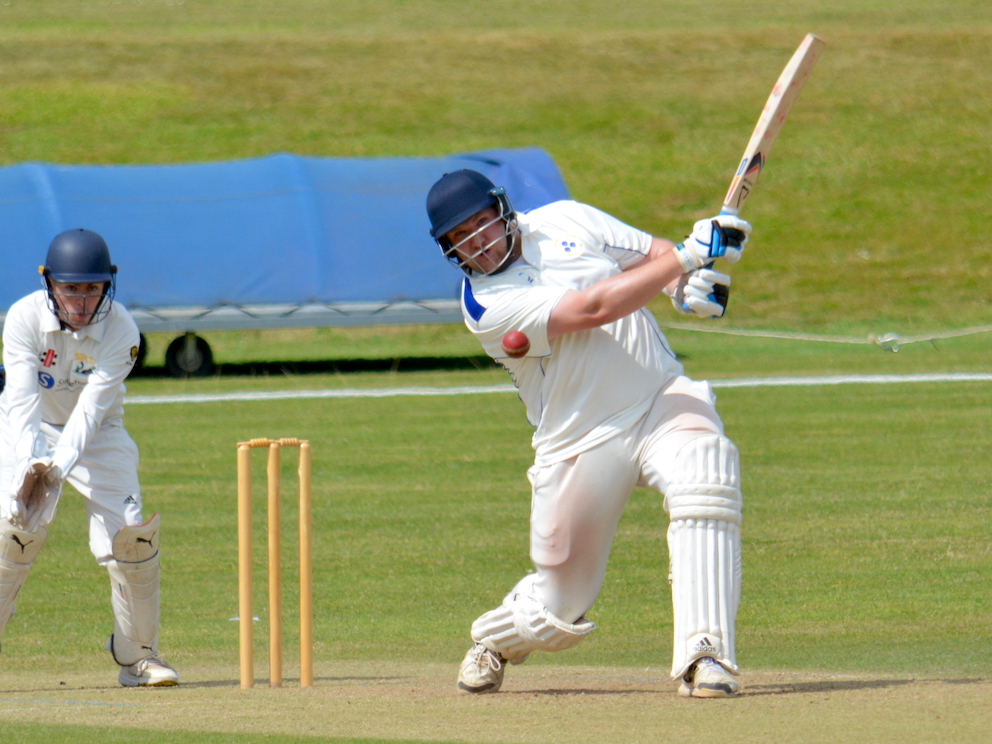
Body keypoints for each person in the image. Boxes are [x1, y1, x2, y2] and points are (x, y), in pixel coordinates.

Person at [425, 170, 751, 698]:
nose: (477, 243)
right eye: (460, 238)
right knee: (561, 606)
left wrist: (683, 287)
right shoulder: (484, 304)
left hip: (659, 398)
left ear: (502, 211)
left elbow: (650, 255)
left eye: (481, 225)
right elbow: (593, 308)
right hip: (580, 442)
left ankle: (705, 654)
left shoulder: (565, 219)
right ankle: (494, 639)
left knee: (706, 467)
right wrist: (689, 257)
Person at [0, 228, 179, 687]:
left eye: (92, 288)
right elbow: (20, 400)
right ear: (50, 283)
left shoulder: (122, 330)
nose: (81, 301)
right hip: (29, 428)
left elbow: (92, 410)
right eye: (71, 288)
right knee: (14, 535)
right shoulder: (21, 317)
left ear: (108, 285)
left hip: (98, 434)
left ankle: (139, 657)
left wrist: (58, 467)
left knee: (132, 544)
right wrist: (29, 465)